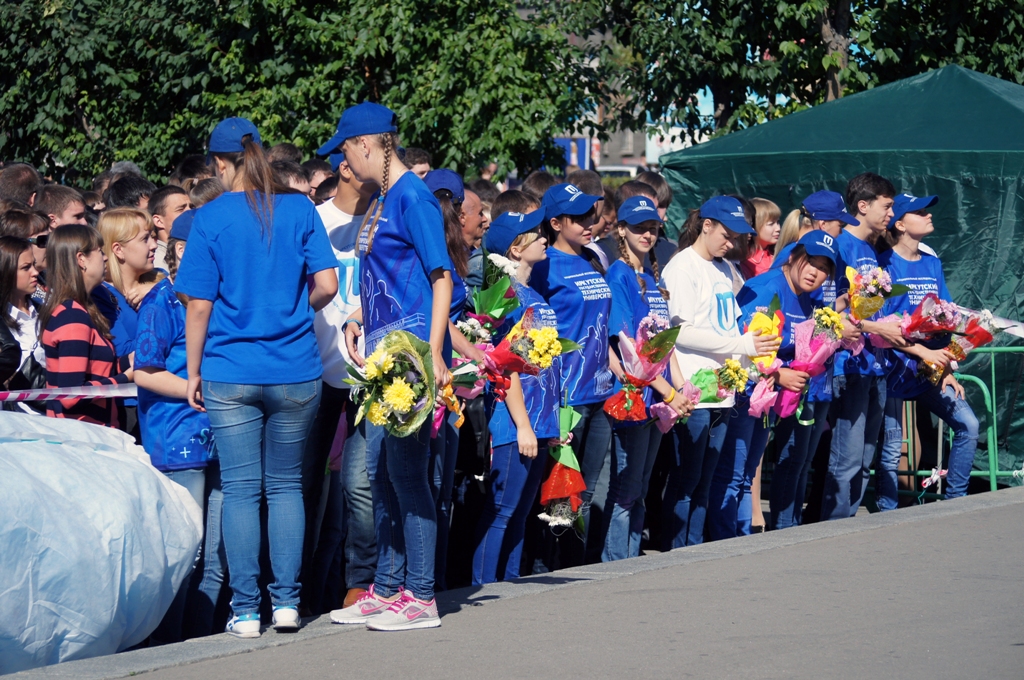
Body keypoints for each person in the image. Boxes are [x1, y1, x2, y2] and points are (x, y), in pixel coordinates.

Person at [176, 117, 338, 638]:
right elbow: (328, 286)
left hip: (229, 369)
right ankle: (287, 603)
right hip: (295, 368)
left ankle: (245, 610)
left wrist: (193, 370)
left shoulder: (209, 217)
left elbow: (198, 305)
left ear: (220, 164)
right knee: (287, 486)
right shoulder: (299, 207)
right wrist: (292, 308)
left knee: (243, 490)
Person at [329, 102, 452, 631]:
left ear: (367, 144)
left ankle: (420, 597)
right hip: (381, 354)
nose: (343, 164)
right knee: (380, 475)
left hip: (409, 356)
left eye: (345, 152)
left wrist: (435, 352)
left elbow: (441, 277)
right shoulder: (384, 197)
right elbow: (392, 277)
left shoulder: (414, 198)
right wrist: (360, 315)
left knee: (406, 474)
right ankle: (387, 586)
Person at [658, 196, 779, 548]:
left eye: (737, 236)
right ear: (706, 225)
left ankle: (694, 550)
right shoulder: (682, 267)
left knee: (705, 480)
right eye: (726, 235)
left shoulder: (725, 269)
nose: (731, 243)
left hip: (723, 387)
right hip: (694, 387)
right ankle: (673, 552)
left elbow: (732, 323)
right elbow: (679, 331)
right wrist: (742, 346)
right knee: (685, 480)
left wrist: (752, 349)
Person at [133, 209, 218, 644]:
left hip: (220, 437)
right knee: (187, 552)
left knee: (215, 555)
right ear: (182, 250)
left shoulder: (219, 295)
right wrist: (193, 388)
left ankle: (201, 645)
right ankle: (168, 648)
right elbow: (143, 370)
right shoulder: (161, 302)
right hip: (178, 441)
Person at [716, 231, 836, 538]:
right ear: (794, 256)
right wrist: (780, 375)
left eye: (823, 268)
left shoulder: (806, 298)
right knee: (733, 474)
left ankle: (739, 541)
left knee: (746, 475)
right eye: (810, 262)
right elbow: (743, 344)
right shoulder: (766, 287)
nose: (814, 272)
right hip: (746, 395)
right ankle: (722, 543)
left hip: (768, 400)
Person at [305, 143, 376, 613]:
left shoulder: (387, 219)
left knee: (361, 486)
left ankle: (361, 584)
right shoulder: (314, 219)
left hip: (374, 375)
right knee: (306, 488)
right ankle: (296, 591)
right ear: (346, 168)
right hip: (317, 371)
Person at [472, 207, 559, 584]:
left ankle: (511, 589)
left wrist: (556, 419)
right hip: (513, 422)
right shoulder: (504, 296)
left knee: (521, 513)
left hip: (540, 418)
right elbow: (505, 367)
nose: (544, 238)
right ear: (514, 249)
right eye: (534, 234)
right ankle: (484, 589)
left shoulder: (533, 293)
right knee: (502, 511)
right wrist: (523, 425)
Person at [602, 197, 692, 561]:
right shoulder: (619, 275)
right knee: (625, 489)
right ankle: (613, 565)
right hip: (634, 394)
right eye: (638, 227)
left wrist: (681, 386)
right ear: (620, 229)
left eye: (652, 227)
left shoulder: (650, 276)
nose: (647, 234)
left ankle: (631, 559)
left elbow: (664, 343)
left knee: (640, 488)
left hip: (657, 396)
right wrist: (669, 392)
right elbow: (628, 348)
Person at [531, 183, 616, 566]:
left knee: (588, 488)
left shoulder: (592, 259)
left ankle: (574, 565)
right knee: (559, 494)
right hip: (566, 399)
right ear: (555, 222)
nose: (589, 222)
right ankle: (548, 570)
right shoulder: (544, 267)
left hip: (600, 394)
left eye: (591, 215)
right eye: (578, 217)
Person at [768, 190, 862, 529]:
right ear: (821, 223)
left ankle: (790, 525)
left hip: (817, 373)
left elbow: (820, 314)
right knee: (791, 458)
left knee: (803, 459)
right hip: (791, 376)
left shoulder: (826, 263)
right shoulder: (789, 269)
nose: (842, 231)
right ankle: (781, 526)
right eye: (839, 224)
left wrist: (844, 314)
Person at [877, 193, 974, 508]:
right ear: (900, 224)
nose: (929, 215)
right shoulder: (883, 264)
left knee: (968, 425)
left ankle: (955, 504)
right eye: (920, 212)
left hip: (928, 371)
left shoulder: (933, 263)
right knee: (892, 449)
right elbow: (884, 327)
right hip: (892, 369)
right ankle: (886, 513)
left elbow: (947, 317)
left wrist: (946, 366)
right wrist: (922, 353)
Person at [820, 173, 907, 521]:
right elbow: (832, 307)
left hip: (876, 363)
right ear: (863, 205)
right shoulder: (841, 246)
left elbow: (873, 304)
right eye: (887, 206)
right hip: (848, 364)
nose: (891, 213)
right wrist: (869, 325)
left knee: (865, 459)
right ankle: (831, 530)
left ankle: (849, 527)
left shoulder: (873, 250)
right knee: (847, 459)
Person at [423, 168, 485, 590]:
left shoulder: (454, 253)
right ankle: (420, 582)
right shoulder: (429, 249)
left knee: (441, 488)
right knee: (428, 485)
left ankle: (436, 580)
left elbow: (449, 321)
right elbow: (432, 313)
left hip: (449, 382)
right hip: (427, 376)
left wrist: (477, 353)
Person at [39, 224, 134, 426]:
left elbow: (96, 370)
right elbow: (71, 395)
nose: (106, 257)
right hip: (82, 438)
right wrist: (126, 377)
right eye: (99, 251)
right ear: (81, 259)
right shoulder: (72, 317)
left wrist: (130, 361)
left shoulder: (81, 309)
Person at [0, 236, 44, 413]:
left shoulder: (45, 310)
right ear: (6, 272)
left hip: (56, 415)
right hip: (19, 421)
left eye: (34, 264)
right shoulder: (3, 321)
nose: (35, 272)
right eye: (26, 268)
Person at [148, 185, 192, 271]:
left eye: (192, 207)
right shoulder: (156, 265)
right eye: (180, 209)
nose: (190, 212)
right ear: (159, 221)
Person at [740, 198, 781, 279]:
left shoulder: (779, 254)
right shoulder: (743, 260)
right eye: (771, 224)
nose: (778, 228)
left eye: (778, 222)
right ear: (754, 226)